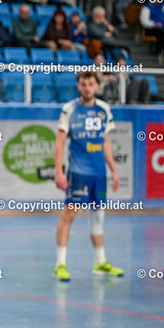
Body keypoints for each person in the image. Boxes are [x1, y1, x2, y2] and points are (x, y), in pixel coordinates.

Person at [53, 71, 123, 282]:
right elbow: (59, 142)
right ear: (78, 86)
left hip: (99, 173)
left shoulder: (104, 109)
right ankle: (60, 264)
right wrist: (59, 171)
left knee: (98, 216)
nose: (87, 88)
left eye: (90, 84)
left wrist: (114, 170)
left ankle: (100, 263)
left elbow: (106, 142)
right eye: (83, 84)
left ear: (96, 86)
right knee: (70, 214)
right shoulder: (70, 109)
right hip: (78, 172)